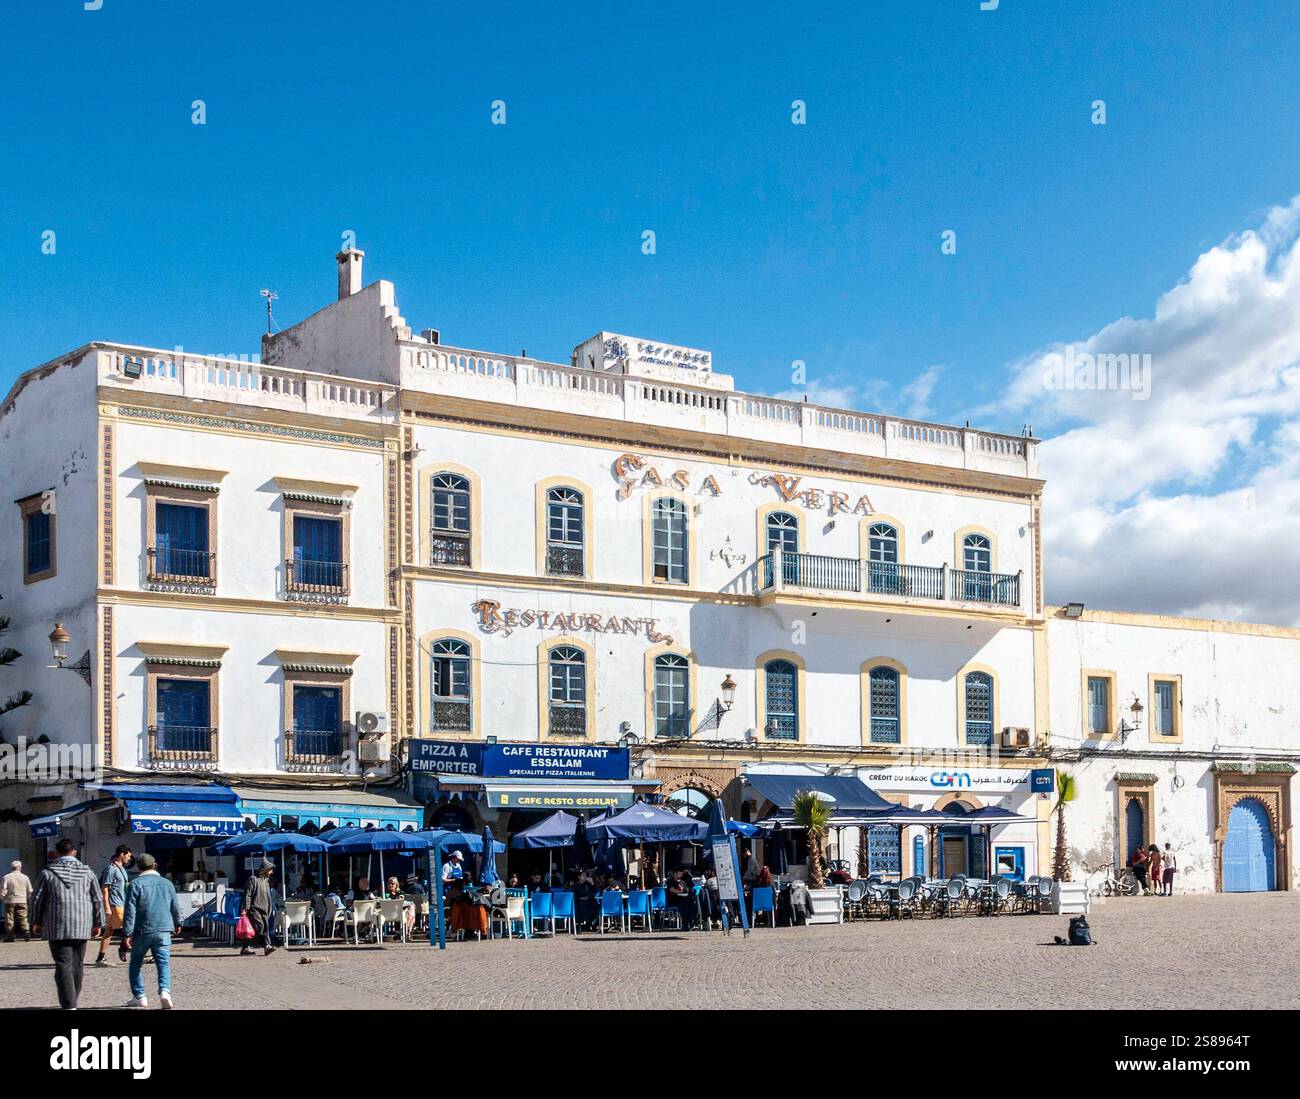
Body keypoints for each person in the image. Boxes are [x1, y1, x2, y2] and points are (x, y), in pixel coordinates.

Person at [29, 837, 106, 1010]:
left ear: (56, 853)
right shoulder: (87, 873)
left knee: (63, 964)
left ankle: (69, 1004)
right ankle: (73, 1000)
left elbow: (36, 899)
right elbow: (97, 899)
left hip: (57, 925)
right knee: (78, 964)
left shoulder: (47, 873)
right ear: (74, 852)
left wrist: (35, 921)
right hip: (82, 924)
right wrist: (98, 923)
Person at [122, 853, 182, 1009]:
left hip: (142, 929)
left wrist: (126, 933)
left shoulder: (135, 884)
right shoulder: (167, 883)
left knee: (136, 963)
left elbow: (130, 911)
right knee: (163, 963)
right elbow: (175, 906)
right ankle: (165, 992)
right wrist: (177, 922)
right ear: (155, 865)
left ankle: (139, 996)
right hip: (163, 928)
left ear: (138, 867)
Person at [95, 844, 133, 967]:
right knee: (130, 929)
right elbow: (105, 888)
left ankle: (100, 958)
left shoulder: (122, 869)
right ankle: (131, 952)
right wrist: (106, 906)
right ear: (121, 854)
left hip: (122, 903)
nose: (129, 858)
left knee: (108, 932)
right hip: (115, 905)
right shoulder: (111, 869)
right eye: (128, 856)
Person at [241, 860, 276, 956]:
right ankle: (267, 946)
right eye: (270, 870)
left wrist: (269, 908)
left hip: (264, 909)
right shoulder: (253, 879)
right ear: (265, 869)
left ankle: (245, 947)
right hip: (254, 908)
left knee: (262, 929)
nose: (271, 872)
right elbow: (247, 894)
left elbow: (267, 896)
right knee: (260, 927)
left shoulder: (266, 881)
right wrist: (246, 907)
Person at [2, 860, 34, 942]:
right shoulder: (25, 877)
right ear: (20, 868)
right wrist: (29, 899)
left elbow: (3, 890)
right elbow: (30, 890)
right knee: (23, 917)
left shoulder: (6, 877)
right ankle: (26, 930)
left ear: (11, 868)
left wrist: (2, 898)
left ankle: (10, 936)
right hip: (22, 900)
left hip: (10, 900)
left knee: (9, 918)